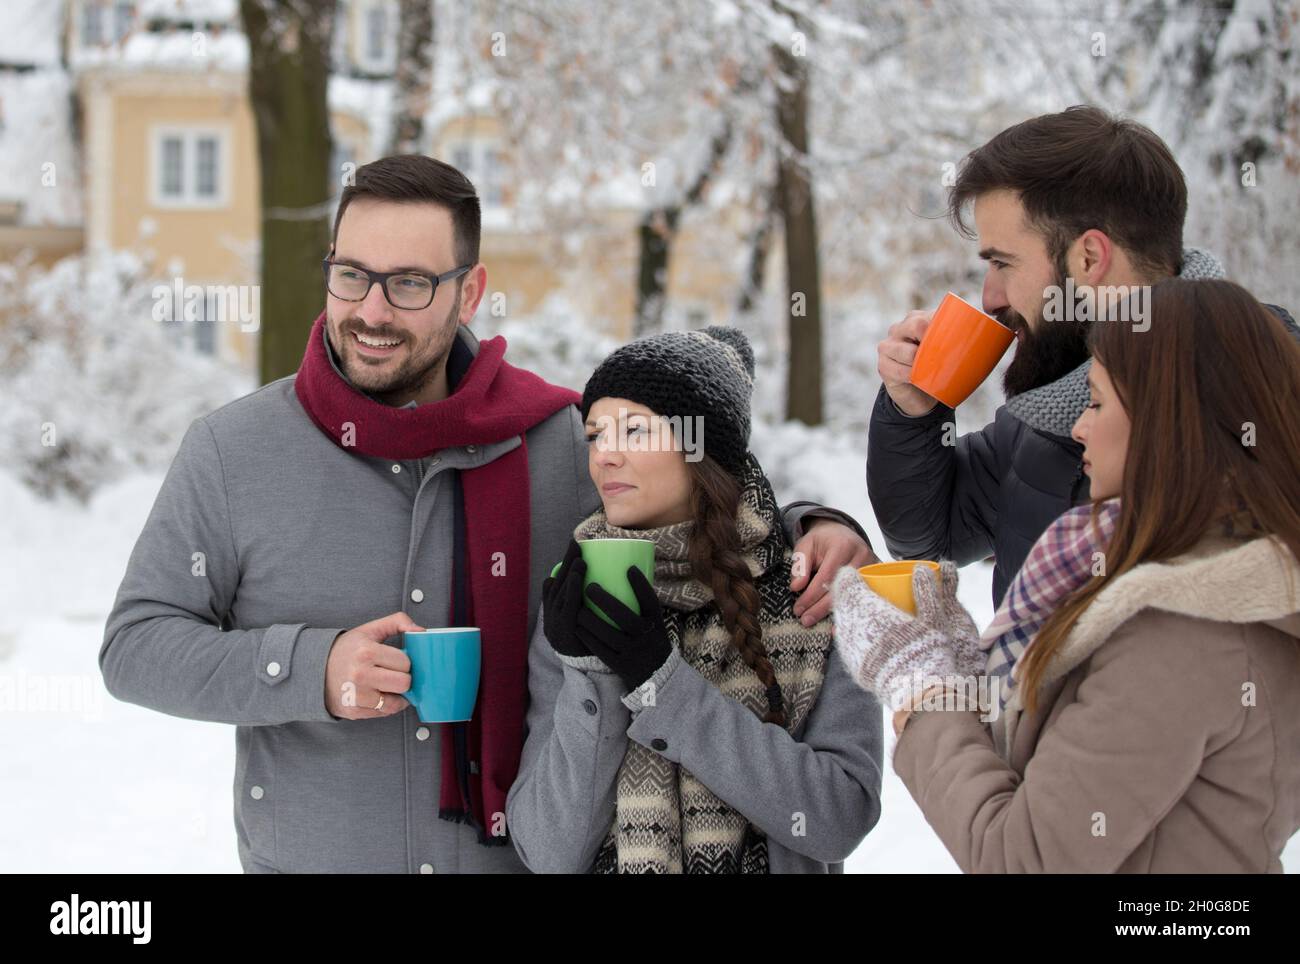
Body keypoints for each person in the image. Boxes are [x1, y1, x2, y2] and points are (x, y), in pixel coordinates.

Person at [99, 154, 874, 873]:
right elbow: (136, 647)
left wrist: (820, 527)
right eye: (351, 275)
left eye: (408, 283)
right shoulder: (234, 452)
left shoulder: (558, 440)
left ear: (469, 291)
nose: (371, 309)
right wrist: (310, 670)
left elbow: (695, 491)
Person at [834, 278, 1300, 872]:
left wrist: (921, 689)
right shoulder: (1182, 575)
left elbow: (1022, 859)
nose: (1079, 427)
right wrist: (962, 672)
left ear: (1168, 426)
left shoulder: (1184, 636)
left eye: (1099, 403)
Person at [868, 105, 1298, 607]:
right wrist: (915, 411)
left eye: (1003, 262)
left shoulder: (1264, 395)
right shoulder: (1052, 404)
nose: (991, 298)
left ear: (1089, 258)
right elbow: (932, 538)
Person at [506, 326, 884, 873]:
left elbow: (839, 816)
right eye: (594, 435)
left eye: (633, 431)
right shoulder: (577, 599)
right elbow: (547, 852)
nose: (604, 457)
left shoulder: (818, 586)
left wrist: (663, 685)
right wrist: (594, 675)